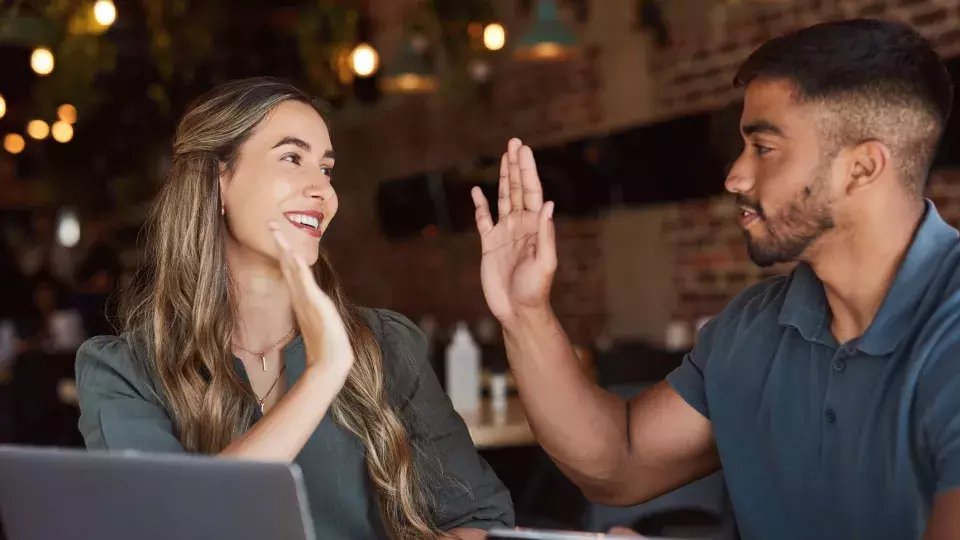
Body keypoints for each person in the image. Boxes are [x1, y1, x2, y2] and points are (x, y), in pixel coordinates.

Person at [471, 19, 960, 540]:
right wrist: (525, 313)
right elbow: (619, 458)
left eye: (764, 148)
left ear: (861, 168)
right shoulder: (754, 327)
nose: (735, 176)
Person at [76, 78, 513, 540]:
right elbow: (171, 527)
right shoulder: (124, 373)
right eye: (292, 158)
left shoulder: (384, 344)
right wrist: (322, 375)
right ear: (216, 181)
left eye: (326, 169)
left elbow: (475, 518)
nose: (323, 190)